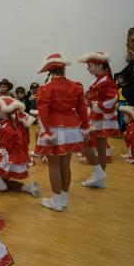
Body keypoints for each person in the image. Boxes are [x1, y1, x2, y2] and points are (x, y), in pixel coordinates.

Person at [34, 53, 90, 211]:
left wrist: (45, 132)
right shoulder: (75, 86)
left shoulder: (46, 88)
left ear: (49, 71)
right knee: (66, 165)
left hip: (53, 128)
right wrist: (85, 125)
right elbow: (81, 109)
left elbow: (43, 112)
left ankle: (56, 202)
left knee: (53, 166)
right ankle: (63, 199)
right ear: (63, 68)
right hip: (71, 127)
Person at [77, 51, 120, 189]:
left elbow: (113, 98)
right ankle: (100, 177)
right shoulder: (98, 79)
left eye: (89, 65)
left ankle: (98, 173)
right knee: (101, 149)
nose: (87, 68)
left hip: (100, 118)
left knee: (84, 143)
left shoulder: (107, 81)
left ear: (99, 65)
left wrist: (100, 105)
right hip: (96, 116)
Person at [0, 96, 40, 198]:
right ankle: (28, 188)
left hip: (9, 157)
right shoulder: (13, 123)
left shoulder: (7, 127)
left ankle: (27, 188)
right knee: (4, 181)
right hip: (14, 155)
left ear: (3, 111)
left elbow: (5, 146)